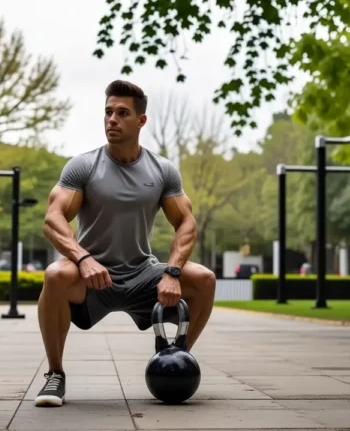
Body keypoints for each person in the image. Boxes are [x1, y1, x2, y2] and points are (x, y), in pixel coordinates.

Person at [35, 80, 216, 407]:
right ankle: (55, 374)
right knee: (54, 275)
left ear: (141, 121)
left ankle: (174, 359)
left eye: (121, 113)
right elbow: (53, 218)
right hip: (92, 276)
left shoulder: (161, 170)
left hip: (142, 275)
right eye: (107, 112)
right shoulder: (84, 166)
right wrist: (82, 258)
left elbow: (186, 223)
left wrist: (172, 272)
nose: (111, 119)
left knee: (203, 279)